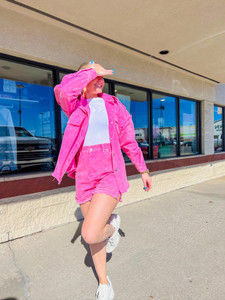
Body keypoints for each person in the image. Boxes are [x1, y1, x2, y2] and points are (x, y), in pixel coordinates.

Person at [52, 61, 152, 300]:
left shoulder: (115, 105)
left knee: (89, 233)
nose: (99, 80)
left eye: (101, 76)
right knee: (95, 238)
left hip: (109, 171)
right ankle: (105, 283)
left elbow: (129, 140)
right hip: (85, 176)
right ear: (83, 78)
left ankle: (111, 226)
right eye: (93, 76)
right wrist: (89, 71)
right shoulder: (75, 105)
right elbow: (63, 90)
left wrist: (143, 169)